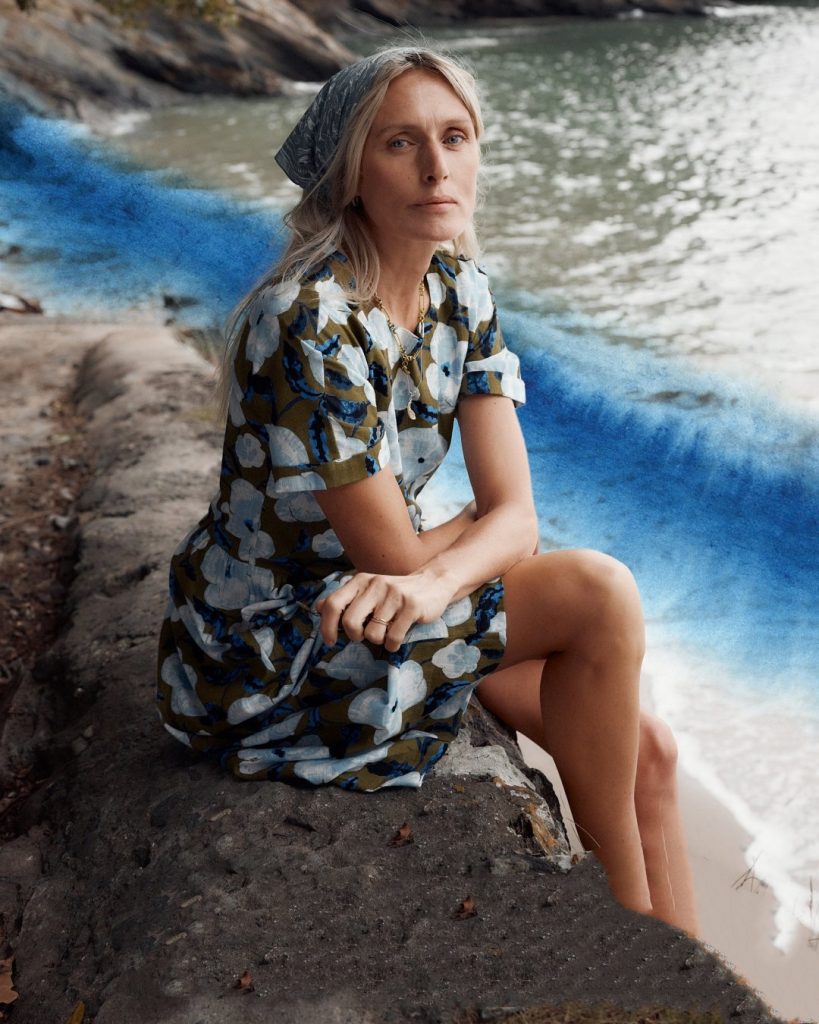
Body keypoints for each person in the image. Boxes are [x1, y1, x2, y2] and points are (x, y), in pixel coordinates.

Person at [156, 46, 698, 935]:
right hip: (272, 650)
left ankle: (684, 968)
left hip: (389, 603)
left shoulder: (458, 289)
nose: (437, 168)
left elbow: (510, 520)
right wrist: (466, 541)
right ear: (349, 174)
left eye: (455, 138)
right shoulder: (307, 321)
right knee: (597, 592)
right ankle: (627, 931)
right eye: (400, 143)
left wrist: (454, 557)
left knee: (649, 748)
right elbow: (402, 555)